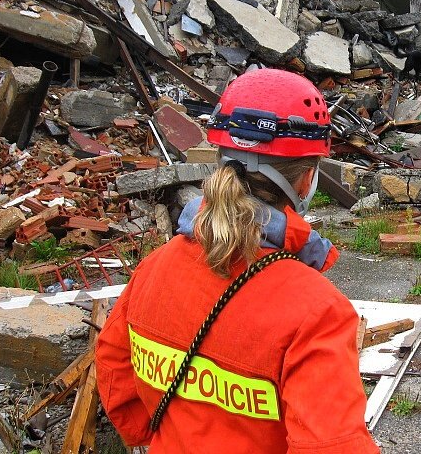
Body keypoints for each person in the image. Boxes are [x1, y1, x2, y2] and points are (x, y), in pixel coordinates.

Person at [96, 69, 380, 453]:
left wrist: (157, 438)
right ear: (306, 180)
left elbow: (114, 370)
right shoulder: (318, 313)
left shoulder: (153, 267)